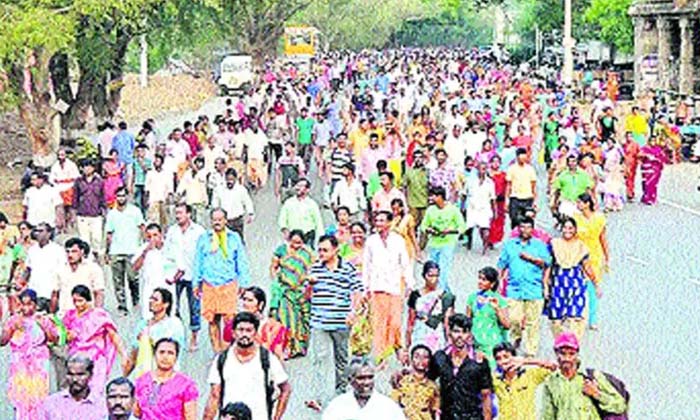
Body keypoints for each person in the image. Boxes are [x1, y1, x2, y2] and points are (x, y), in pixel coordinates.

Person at [305, 234, 363, 411]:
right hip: (319, 322)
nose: (321, 253)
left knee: (342, 359)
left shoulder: (347, 269)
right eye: (319, 250)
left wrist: (353, 312)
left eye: (325, 250)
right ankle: (318, 397)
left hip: (340, 321)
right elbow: (306, 296)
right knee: (319, 359)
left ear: (335, 250)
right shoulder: (315, 269)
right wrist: (310, 284)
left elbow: (358, 292)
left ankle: (342, 393)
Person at [203, 312, 292, 420]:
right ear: (233, 333)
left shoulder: (267, 359)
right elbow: (214, 395)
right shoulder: (222, 360)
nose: (244, 334)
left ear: (255, 333)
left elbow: (285, 389)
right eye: (240, 330)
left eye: (249, 330)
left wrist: (276, 417)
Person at [193, 208, 251, 353]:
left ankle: (228, 351)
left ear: (225, 220)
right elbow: (197, 262)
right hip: (209, 283)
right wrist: (196, 283)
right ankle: (217, 352)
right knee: (212, 320)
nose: (217, 222)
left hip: (228, 284)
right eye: (214, 220)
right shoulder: (204, 238)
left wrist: (244, 283)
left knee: (229, 320)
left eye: (220, 219)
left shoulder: (234, 238)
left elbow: (242, 261)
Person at [363, 211, 413, 364]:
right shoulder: (371, 241)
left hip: (394, 287)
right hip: (377, 286)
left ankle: (397, 347)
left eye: (382, 221)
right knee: (379, 322)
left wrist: (410, 282)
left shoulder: (398, 241)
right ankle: (381, 356)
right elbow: (367, 265)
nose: (378, 224)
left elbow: (405, 263)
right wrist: (365, 286)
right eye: (376, 220)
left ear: (390, 223)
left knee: (396, 322)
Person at [497, 217, 551, 357]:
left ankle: (531, 351)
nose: (525, 230)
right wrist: (498, 283)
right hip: (514, 289)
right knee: (514, 318)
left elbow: (547, 264)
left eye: (528, 227)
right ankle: (517, 336)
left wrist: (530, 259)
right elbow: (502, 264)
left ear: (532, 229)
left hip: (533, 289)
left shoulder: (539, 246)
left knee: (533, 322)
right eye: (522, 227)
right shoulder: (510, 245)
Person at [543, 332, 628, 419]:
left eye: (571, 354)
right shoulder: (551, 382)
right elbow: (548, 415)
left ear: (577, 354)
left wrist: (596, 394)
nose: (567, 358)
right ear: (556, 353)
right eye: (563, 353)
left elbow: (620, 406)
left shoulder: (592, 377)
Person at [1, 289, 57, 420]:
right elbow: (2, 341)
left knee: (38, 398)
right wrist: (11, 327)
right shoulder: (13, 320)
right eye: (23, 304)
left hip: (38, 364)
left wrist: (44, 327)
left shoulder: (42, 319)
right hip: (19, 364)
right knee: (20, 398)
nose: (26, 308)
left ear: (35, 305)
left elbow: (54, 339)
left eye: (29, 304)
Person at [62, 285, 128, 395]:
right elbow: (63, 336)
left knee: (95, 390)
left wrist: (124, 355)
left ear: (88, 299)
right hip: (76, 359)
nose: (77, 304)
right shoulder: (70, 315)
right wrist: (68, 336)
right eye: (75, 301)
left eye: (80, 301)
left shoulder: (99, 315)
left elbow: (113, 335)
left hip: (96, 358)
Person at [428, 314, 493, 420]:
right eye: (456, 331)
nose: (460, 336)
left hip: (472, 416)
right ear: (449, 333)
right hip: (447, 416)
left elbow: (486, 396)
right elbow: (427, 381)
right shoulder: (440, 357)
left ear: (469, 335)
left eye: (464, 332)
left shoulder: (479, 361)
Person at [546, 217, 598, 341]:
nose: (567, 231)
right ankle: (560, 343)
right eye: (565, 228)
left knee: (576, 316)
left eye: (570, 228)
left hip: (575, 284)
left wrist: (595, 283)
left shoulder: (581, 247)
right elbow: (548, 265)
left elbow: (587, 266)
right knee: (556, 318)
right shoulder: (554, 244)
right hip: (558, 285)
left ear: (575, 230)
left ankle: (574, 344)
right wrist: (546, 284)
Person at [164, 203, 206, 352]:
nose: (177, 216)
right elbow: (166, 252)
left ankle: (194, 337)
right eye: (176, 213)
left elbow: (204, 254)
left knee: (194, 307)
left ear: (188, 214)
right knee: (172, 306)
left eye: (180, 213)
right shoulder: (171, 231)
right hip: (175, 275)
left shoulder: (199, 231)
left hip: (193, 275)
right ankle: (175, 335)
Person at [269, 230, 314, 358]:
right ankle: (286, 347)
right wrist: (275, 282)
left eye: (299, 243)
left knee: (301, 319)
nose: (296, 245)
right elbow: (273, 266)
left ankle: (299, 347)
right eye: (293, 242)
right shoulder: (282, 250)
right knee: (286, 320)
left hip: (301, 291)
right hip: (286, 291)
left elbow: (314, 268)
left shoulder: (308, 253)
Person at [126, 288, 185, 379]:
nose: (151, 301)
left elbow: (173, 350)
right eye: (151, 298)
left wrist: (149, 339)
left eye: (155, 299)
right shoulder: (142, 324)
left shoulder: (174, 324)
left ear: (166, 304)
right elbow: (133, 354)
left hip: (167, 376)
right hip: (143, 376)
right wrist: (124, 378)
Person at [322, 356, 406, 420]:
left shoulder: (388, 406)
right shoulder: (337, 405)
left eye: (370, 377)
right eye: (361, 378)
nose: (366, 382)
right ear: (350, 380)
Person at [134, 338, 198, 420]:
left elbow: (190, 417)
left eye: (170, 353)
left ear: (176, 358)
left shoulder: (186, 385)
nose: (165, 357)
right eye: (161, 352)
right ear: (154, 355)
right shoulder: (142, 381)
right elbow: (136, 412)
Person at [491, 342, 557, 420]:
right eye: (498, 359)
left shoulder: (529, 375)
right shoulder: (495, 379)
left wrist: (526, 361)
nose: (503, 361)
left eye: (506, 357)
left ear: (514, 357)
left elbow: (554, 366)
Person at [105, 187, 144, 315]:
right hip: (116, 251)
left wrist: (143, 248)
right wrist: (107, 251)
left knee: (133, 278)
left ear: (127, 197)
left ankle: (136, 301)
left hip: (132, 250)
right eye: (118, 196)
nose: (121, 198)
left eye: (123, 196)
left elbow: (142, 227)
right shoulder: (112, 213)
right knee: (117, 281)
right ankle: (122, 306)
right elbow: (109, 234)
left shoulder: (135, 211)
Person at [419, 186, 466, 292]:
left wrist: (450, 231)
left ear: (440, 197)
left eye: (434, 196)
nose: (431, 198)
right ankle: (439, 291)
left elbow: (462, 227)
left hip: (447, 243)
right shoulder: (430, 210)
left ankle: (442, 293)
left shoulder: (453, 210)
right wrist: (430, 230)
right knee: (431, 270)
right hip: (434, 243)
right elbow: (423, 226)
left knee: (443, 270)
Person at [222, 287, 288, 361]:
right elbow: (225, 351)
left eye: (250, 300)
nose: (245, 303)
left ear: (261, 304)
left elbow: (278, 355)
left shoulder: (273, 327)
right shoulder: (232, 325)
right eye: (244, 299)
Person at [574, 193, 609, 330]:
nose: (578, 205)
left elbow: (603, 238)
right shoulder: (576, 219)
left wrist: (607, 257)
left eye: (580, 202)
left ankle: (593, 319)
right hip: (578, 255)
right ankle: (577, 312)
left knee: (593, 286)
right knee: (578, 286)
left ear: (587, 203)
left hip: (594, 255)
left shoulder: (599, 219)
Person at [405, 261, 455, 353]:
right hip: (419, 334)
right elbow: (410, 321)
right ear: (424, 276)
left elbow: (447, 322)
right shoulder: (415, 296)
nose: (433, 279)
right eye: (430, 275)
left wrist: (450, 342)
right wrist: (407, 344)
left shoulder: (445, 296)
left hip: (436, 334)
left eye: (436, 276)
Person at [465, 266, 510, 369]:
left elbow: (507, 325)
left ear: (492, 283)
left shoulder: (500, 300)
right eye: (479, 278)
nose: (480, 282)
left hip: (492, 344)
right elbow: (468, 321)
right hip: (476, 343)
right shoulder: (472, 298)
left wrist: (497, 309)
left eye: (484, 280)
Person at [40, 355, 107, 419]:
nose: (75, 379)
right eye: (70, 374)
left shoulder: (101, 405)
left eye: (80, 374)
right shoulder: (52, 403)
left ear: (90, 375)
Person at [52, 237, 106, 316]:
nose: (70, 255)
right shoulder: (59, 269)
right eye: (67, 251)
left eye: (74, 251)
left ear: (82, 252)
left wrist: (97, 314)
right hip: (65, 314)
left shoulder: (93, 268)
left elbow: (99, 293)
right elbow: (55, 294)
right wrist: (52, 315)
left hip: (86, 315)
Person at [132, 223, 175, 320]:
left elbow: (181, 267)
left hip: (167, 289)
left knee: (168, 319)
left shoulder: (171, 248)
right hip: (150, 290)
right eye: (149, 236)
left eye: (155, 235)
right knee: (149, 319)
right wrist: (145, 252)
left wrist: (174, 279)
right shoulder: (143, 249)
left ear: (161, 234)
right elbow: (135, 267)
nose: (152, 239)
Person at [390, 345, 441, 420]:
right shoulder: (401, 382)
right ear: (411, 359)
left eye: (425, 357)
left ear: (429, 361)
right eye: (417, 357)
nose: (421, 360)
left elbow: (436, 411)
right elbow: (392, 405)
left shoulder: (433, 386)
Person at [25, 223, 65, 311]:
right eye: (36, 231)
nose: (37, 233)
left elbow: (63, 271)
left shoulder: (58, 250)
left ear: (49, 233)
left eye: (41, 231)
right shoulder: (32, 250)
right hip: (34, 292)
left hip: (50, 293)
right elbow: (28, 269)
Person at [278, 178, 324, 247]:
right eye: (297, 185)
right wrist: (285, 230)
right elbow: (282, 218)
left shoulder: (312, 204)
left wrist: (321, 239)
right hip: (292, 236)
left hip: (307, 236)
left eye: (301, 186)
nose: (298, 188)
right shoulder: (289, 202)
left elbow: (318, 222)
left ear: (307, 190)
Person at [212, 168, 255, 242]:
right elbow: (215, 203)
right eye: (228, 179)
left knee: (238, 241)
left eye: (232, 179)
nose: (229, 181)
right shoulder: (219, 189)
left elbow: (247, 202)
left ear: (235, 179)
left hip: (237, 221)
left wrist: (250, 213)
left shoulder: (241, 190)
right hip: (224, 221)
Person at [464, 161, 497, 254]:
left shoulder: (490, 182)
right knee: (470, 228)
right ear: (477, 169)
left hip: (484, 208)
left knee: (485, 228)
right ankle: (469, 242)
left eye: (484, 168)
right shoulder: (470, 180)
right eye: (481, 168)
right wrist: (462, 206)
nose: (483, 170)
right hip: (472, 207)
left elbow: (493, 198)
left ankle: (485, 245)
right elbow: (464, 194)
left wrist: (495, 211)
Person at [550, 154, 594, 221]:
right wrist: (554, 202)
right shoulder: (562, 175)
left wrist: (592, 202)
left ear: (577, 162)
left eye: (574, 161)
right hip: (567, 202)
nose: (572, 163)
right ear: (567, 163)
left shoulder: (583, 174)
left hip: (580, 202)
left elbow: (588, 189)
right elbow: (557, 190)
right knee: (566, 222)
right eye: (570, 162)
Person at [505, 147, 537, 228]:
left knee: (528, 221)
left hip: (527, 198)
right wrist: (507, 201)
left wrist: (535, 201)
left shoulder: (530, 169)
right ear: (517, 157)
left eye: (524, 157)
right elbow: (509, 185)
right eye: (521, 157)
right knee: (515, 221)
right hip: (515, 198)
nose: (523, 159)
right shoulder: (511, 168)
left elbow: (533, 186)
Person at [50, 149, 80, 228]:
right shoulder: (55, 166)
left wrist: (68, 181)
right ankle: (61, 225)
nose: (61, 157)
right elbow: (52, 179)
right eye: (59, 155)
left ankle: (72, 223)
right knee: (59, 207)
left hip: (70, 187)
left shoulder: (71, 165)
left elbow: (77, 177)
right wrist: (58, 182)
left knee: (71, 207)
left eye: (62, 155)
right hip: (58, 188)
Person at [144, 154, 174, 228]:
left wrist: (169, 199)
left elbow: (170, 188)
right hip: (153, 200)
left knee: (164, 222)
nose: (156, 162)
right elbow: (147, 188)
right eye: (155, 161)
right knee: (154, 221)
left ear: (162, 162)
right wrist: (146, 200)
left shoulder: (167, 173)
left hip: (163, 200)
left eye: (158, 160)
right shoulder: (150, 173)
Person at [639, 136, 670, 205]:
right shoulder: (645, 148)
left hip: (656, 169)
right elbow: (639, 155)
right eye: (651, 141)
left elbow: (664, 158)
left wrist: (658, 159)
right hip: (647, 169)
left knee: (653, 184)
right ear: (649, 141)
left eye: (654, 141)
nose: (653, 142)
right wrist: (647, 155)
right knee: (646, 183)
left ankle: (651, 198)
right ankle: (646, 197)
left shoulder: (658, 149)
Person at [402, 150, 429, 227]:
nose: (418, 159)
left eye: (420, 157)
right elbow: (404, 187)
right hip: (413, 203)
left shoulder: (427, 171)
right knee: (412, 225)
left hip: (425, 203)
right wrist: (406, 202)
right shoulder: (409, 172)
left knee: (425, 226)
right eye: (416, 157)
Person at [390, 198, 419, 263]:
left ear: (402, 208)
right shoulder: (390, 219)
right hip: (393, 249)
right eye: (393, 209)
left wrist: (417, 250)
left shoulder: (408, 218)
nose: (395, 211)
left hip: (406, 248)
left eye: (397, 209)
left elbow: (412, 235)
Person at [488, 155, 507, 247]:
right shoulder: (487, 175)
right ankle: (488, 238)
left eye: (497, 161)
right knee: (489, 219)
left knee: (499, 219)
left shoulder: (504, 175)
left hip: (500, 201)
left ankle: (497, 238)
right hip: (489, 200)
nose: (495, 164)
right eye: (493, 161)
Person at [622, 131, 640, 201]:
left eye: (630, 136)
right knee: (627, 179)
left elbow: (639, 153)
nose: (629, 138)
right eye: (627, 136)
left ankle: (631, 193)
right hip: (625, 163)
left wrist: (639, 160)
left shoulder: (636, 145)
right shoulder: (624, 145)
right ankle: (629, 193)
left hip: (633, 163)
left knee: (632, 179)